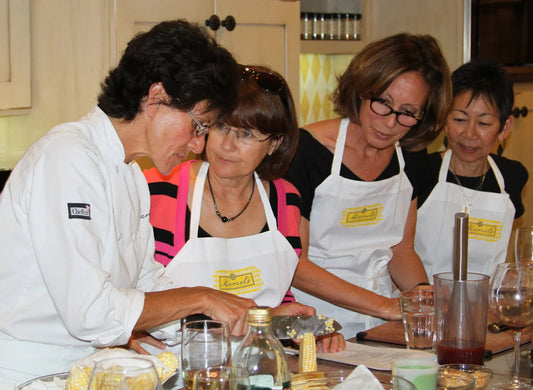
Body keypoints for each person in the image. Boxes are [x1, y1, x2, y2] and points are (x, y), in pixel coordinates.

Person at [0, 20, 256, 383]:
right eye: (199, 125)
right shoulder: (68, 157)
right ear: (155, 98)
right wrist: (200, 299)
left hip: (84, 370)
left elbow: (145, 283)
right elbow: (92, 313)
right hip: (29, 374)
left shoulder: (131, 173)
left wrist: (220, 321)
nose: (199, 146)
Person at [145, 65, 345, 352]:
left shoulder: (286, 201)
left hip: (260, 368)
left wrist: (300, 327)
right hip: (174, 368)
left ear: (275, 143)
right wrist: (131, 334)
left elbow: (279, 292)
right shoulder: (158, 191)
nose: (227, 146)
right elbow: (122, 294)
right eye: (221, 127)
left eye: (247, 135)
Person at [285, 33, 452, 338]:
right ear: (361, 90)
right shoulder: (306, 152)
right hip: (315, 327)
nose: (390, 123)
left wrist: (423, 298)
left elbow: (401, 251)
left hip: (379, 327)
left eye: (408, 113)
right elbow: (296, 265)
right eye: (383, 103)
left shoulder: (411, 158)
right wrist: (385, 306)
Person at [415, 60, 528, 278]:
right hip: (427, 302)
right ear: (444, 120)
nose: (469, 134)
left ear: (504, 128)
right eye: (459, 119)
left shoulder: (512, 176)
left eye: (483, 124)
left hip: (485, 305)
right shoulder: (421, 171)